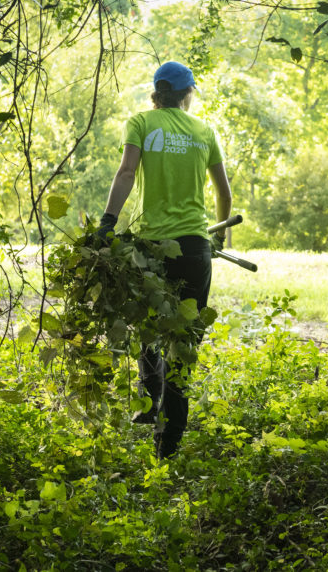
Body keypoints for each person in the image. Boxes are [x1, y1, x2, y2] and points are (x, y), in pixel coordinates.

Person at [97, 61, 232, 459]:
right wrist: (219, 234)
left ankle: (149, 398)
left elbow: (125, 173)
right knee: (185, 341)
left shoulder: (140, 122)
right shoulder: (204, 131)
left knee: (148, 324)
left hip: (151, 247)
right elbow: (224, 194)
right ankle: (168, 445)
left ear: (157, 93)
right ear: (188, 93)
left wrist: (108, 223)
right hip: (193, 246)